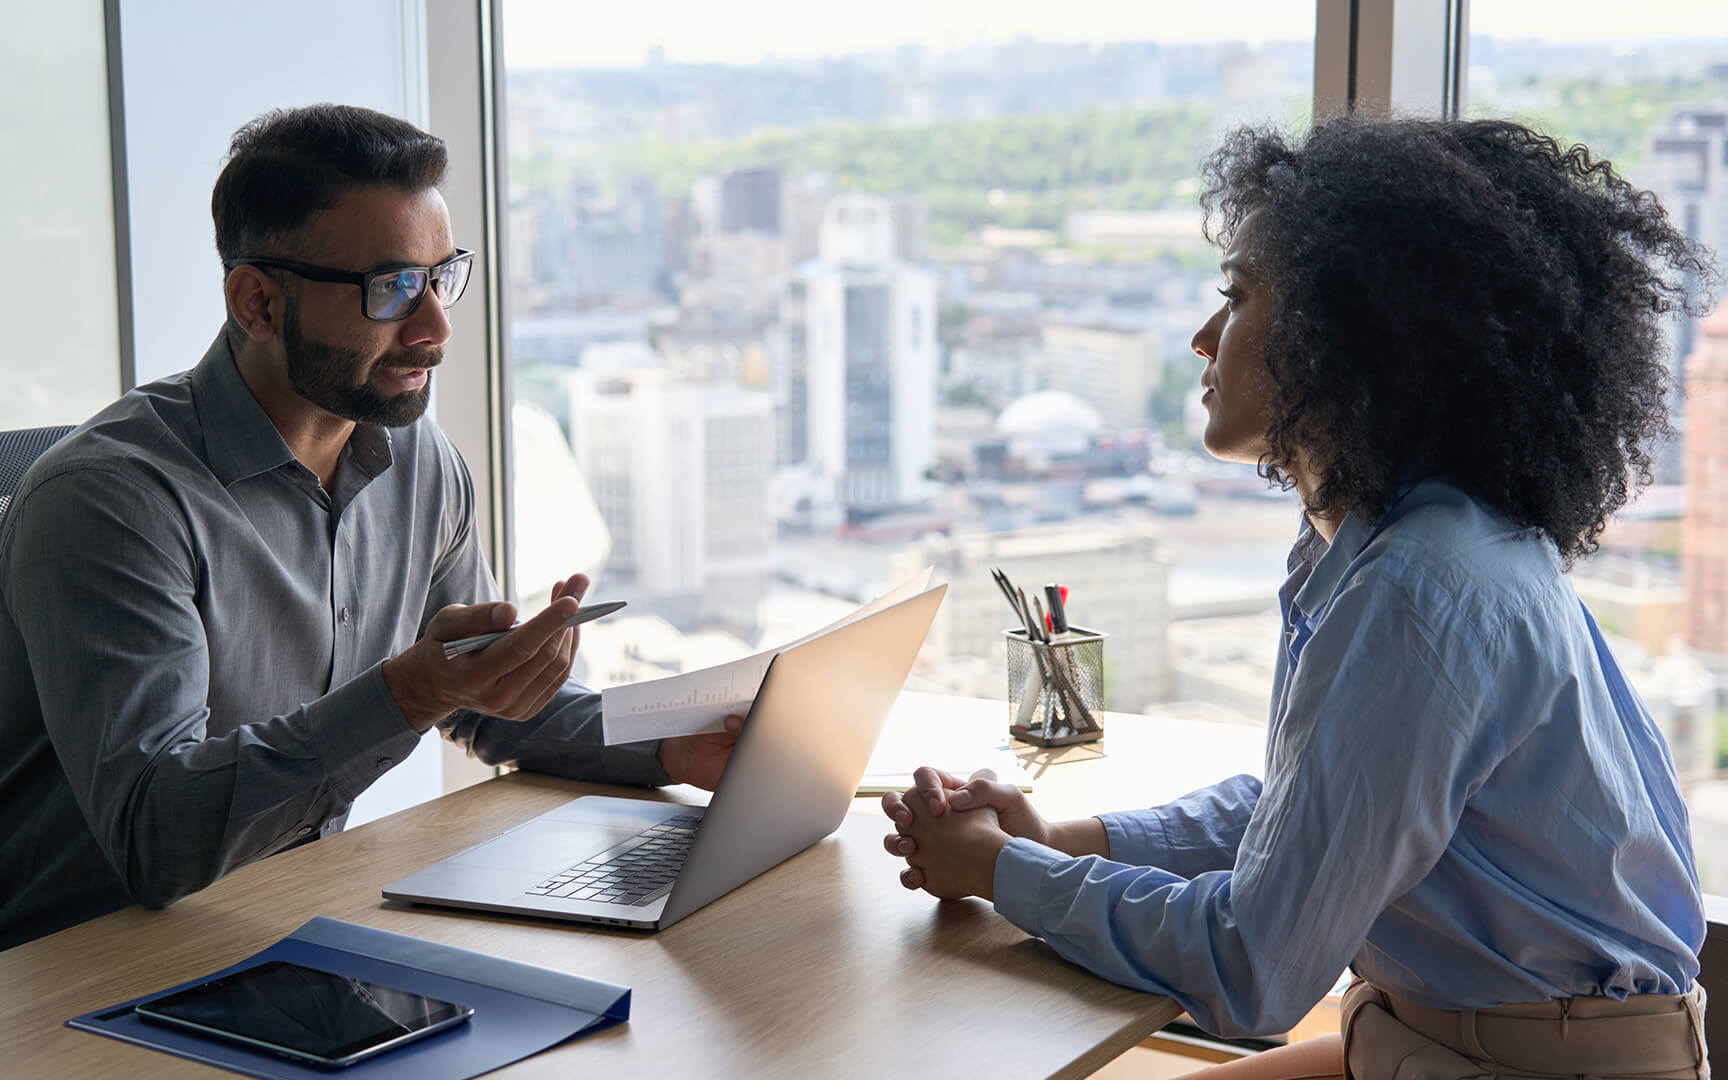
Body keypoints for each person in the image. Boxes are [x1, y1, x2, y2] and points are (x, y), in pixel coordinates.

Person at [883, 116, 1716, 1079]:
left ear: (1348, 334)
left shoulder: (1418, 590)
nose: (1202, 337)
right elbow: (1313, 813)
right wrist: (1068, 838)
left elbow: (1255, 966)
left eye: (1235, 298)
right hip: (1425, 1039)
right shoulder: (1394, 541)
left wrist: (998, 871)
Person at [0, 104, 739, 953]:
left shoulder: (417, 459)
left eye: (441, 277)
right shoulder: (111, 504)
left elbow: (488, 705)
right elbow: (154, 838)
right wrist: (410, 692)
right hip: (74, 975)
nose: (435, 329)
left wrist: (671, 744)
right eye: (390, 288)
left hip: (285, 926)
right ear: (258, 302)